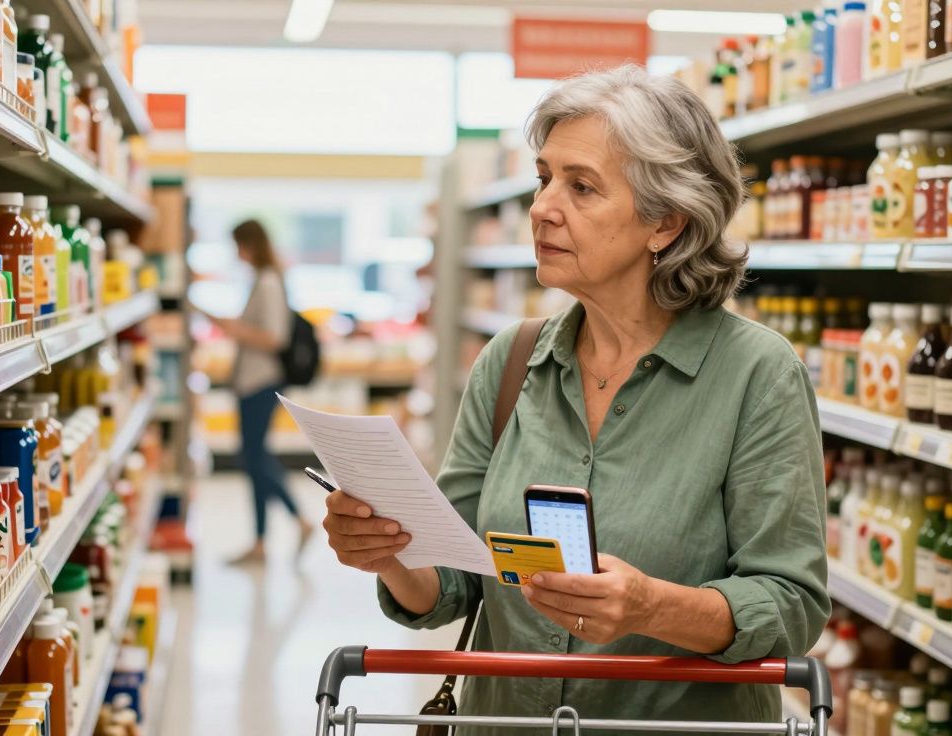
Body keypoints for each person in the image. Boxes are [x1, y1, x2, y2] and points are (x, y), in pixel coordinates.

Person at [320, 65, 829, 730]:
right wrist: (390, 555)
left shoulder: (755, 375)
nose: (542, 207)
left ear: (666, 223)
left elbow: (790, 603)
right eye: (543, 178)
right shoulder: (511, 362)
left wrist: (650, 607)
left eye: (581, 187)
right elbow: (455, 581)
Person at [216, 219, 313, 564]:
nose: (236, 253)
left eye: (238, 245)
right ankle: (261, 540)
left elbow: (276, 337)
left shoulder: (269, 282)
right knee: (253, 459)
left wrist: (235, 329)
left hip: (261, 382)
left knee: (254, 459)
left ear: (251, 244)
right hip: (249, 382)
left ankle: (297, 520)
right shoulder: (262, 280)